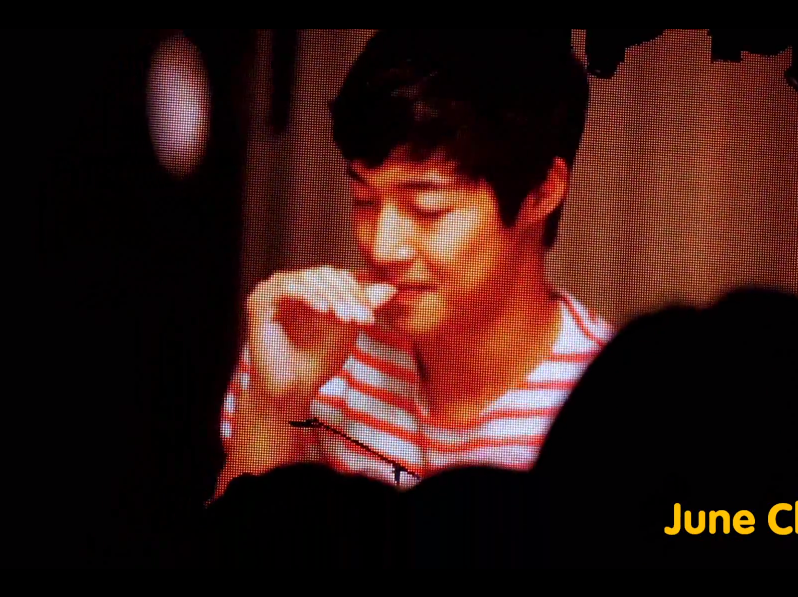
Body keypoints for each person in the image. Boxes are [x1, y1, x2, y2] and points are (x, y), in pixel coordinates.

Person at [213, 30, 614, 499]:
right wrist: (277, 404)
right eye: (364, 200)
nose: (382, 247)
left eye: (427, 209)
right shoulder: (310, 344)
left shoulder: (616, 409)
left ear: (541, 192)